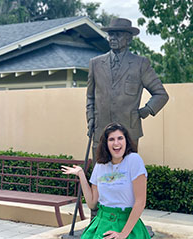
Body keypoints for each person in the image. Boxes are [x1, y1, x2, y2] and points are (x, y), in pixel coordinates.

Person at [86, 18, 169, 160]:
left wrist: (146, 111)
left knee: (126, 175)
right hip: (101, 130)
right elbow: (90, 97)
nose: (112, 38)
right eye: (110, 35)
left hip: (128, 132)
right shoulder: (96, 64)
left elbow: (161, 94)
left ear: (129, 39)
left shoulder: (140, 64)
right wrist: (91, 118)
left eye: (117, 35)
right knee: (100, 175)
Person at [61, 122, 151, 239]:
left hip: (127, 224)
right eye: (111, 139)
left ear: (126, 141)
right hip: (101, 223)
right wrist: (81, 174)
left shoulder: (133, 160)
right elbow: (92, 203)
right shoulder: (100, 165)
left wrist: (123, 234)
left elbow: (140, 202)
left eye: (120, 138)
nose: (116, 143)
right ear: (106, 144)